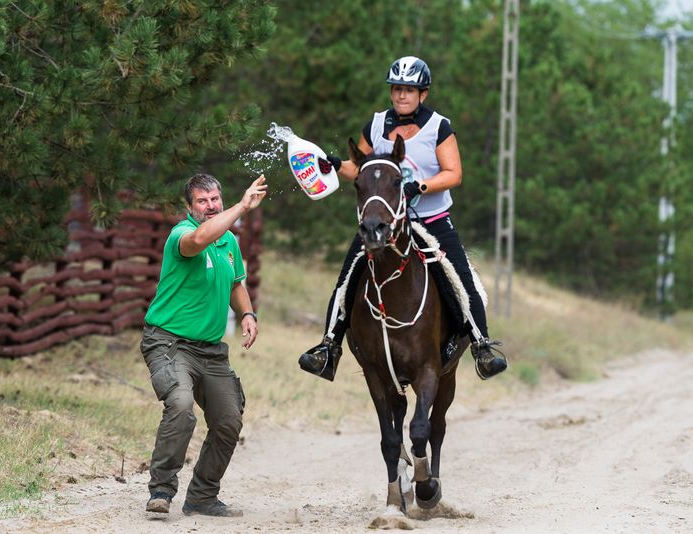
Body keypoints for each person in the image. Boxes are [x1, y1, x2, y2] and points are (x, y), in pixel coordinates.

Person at [298, 56, 507, 382]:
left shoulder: (439, 127)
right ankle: (329, 347)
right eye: (396, 89)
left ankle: (482, 346)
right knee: (348, 276)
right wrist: (336, 163)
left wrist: (419, 185)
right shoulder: (378, 124)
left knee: (460, 279)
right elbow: (360, 168)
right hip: (385, 221)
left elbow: (454, 173)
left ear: (422, 93)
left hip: (431, 219)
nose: (401, 96)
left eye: (409, 90)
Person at [141, 173, 267, 517]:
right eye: (202, 201)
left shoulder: (229, 243)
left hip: (210, 350)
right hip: (169, 342)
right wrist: (243, 206)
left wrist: (247, 314)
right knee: (180, 406)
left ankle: (202, 497)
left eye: (215, 200)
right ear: (189, 206)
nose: (210, 206)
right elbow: (199, 239)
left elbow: (236, 283)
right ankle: (161, 491)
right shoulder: (182, 235)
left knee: (229, 420)